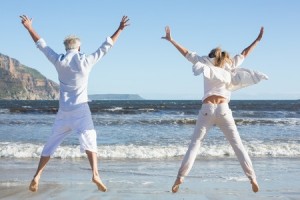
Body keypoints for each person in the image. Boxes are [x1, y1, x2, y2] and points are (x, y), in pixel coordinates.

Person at [20, 14, 129, 192]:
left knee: (51, 144)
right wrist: (120, 29)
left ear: (66, 47)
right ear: (79, 47)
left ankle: (37, 175)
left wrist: (29, 28)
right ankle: (95, 174)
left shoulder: (58, 60)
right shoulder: (86, 61)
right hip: (81, 109)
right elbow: (106, 47)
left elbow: (42, 45)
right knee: (90, 140)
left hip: (64, 111)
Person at [162, 26, 266, 193]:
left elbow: (187, 53)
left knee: (194, 145)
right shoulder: (229, 64)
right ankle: (252, 178)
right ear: (224, 56)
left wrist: (171, 40)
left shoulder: (204, 62)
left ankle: (180, 177)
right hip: (224, 109)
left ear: (210, 55)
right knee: (238, 145)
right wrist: (258, 40)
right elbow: (245, 53)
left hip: (207, 109)